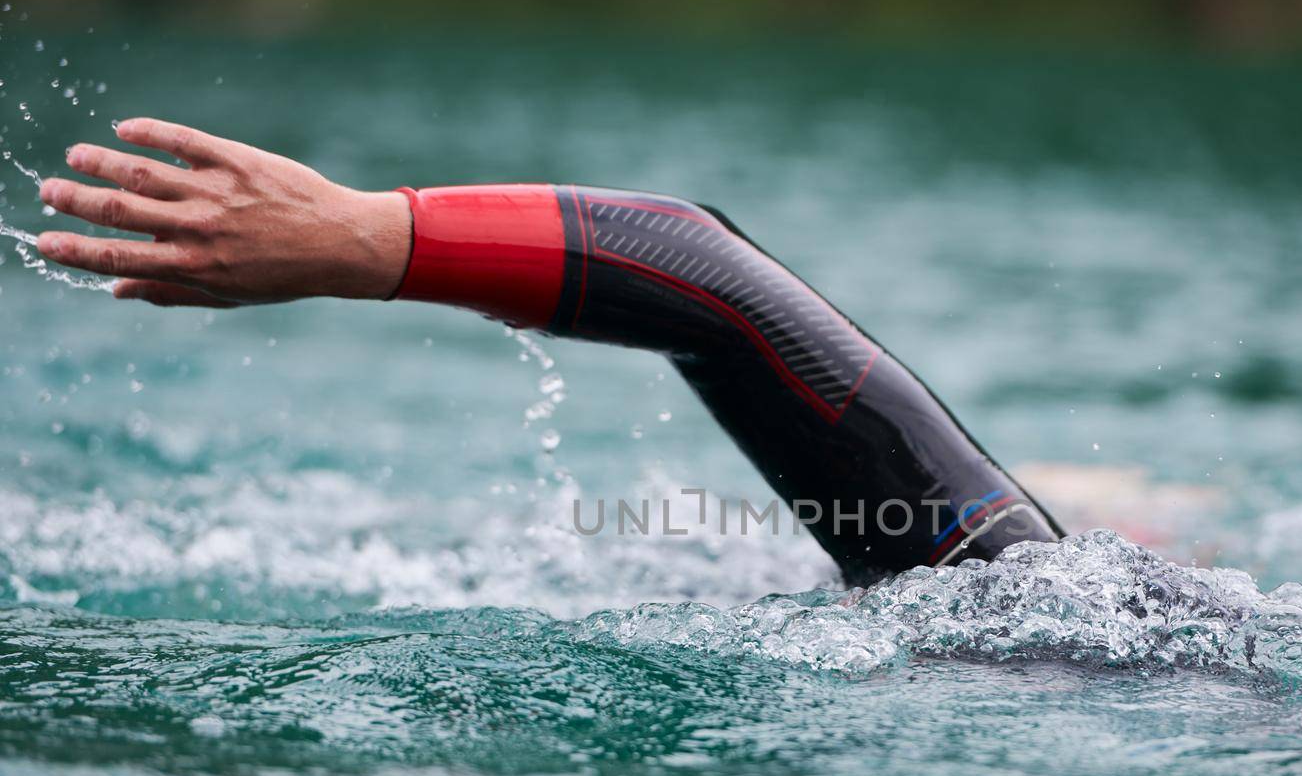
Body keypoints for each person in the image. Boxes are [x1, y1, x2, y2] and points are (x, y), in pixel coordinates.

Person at [36, 118, 1061, 586]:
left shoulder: (1053, 618)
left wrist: (358, 236)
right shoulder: (1066, 617)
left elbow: (711, 283)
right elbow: (709, 280)